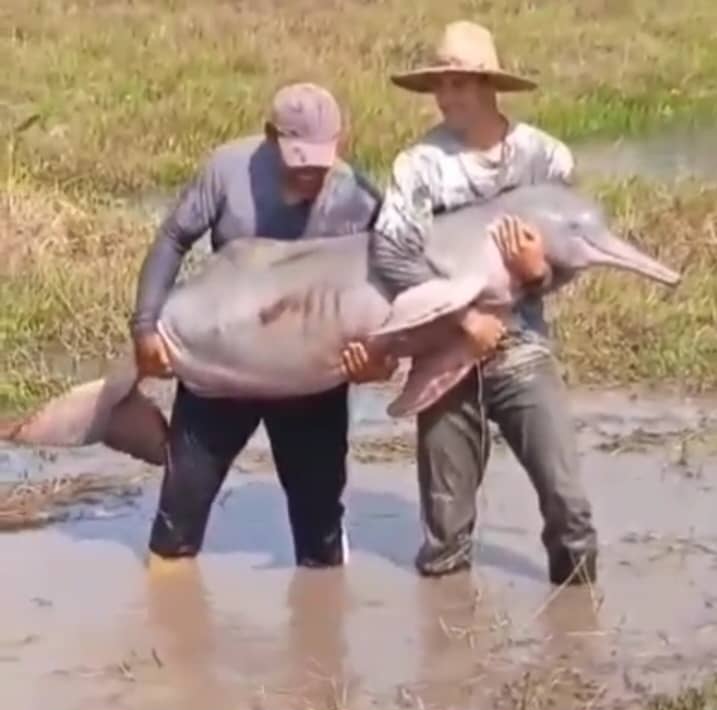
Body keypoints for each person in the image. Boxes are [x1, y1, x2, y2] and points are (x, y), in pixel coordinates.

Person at [358, 20, 599, 585]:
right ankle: (446, 648)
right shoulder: (417, 165)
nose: (446, 98)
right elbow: (391, 257)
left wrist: (537, 274)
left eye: (458, 85)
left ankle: (579, 630)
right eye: (439, 86)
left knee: (569, 505)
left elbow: (568, 254)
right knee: (445, 527)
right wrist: (463, 319)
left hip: (521, 344)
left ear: (490, 85)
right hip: (445, 346)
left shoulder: (545, 160)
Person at [130, 82, 397, 570]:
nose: (313, 174)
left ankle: (320, 636)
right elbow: (173, 237)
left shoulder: (360, 199)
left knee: (320, 541)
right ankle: (165, 637)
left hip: (310, 382)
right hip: (220, 376)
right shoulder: (228, 169)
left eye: (322, 161)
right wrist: (146, 326)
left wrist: (380, 360)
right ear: (270, 137)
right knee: (175, 528)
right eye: (300, 161)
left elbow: (394, 290)